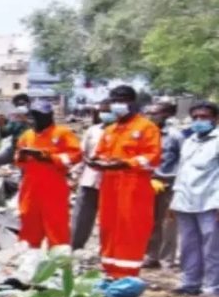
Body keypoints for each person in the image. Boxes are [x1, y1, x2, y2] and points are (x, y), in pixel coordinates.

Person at [89, 85, 161, 279]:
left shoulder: (146, 127)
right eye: (114, 101)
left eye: (122, 100)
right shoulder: (111, 129)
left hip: (134, 184)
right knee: (108, 225)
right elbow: (101, 153)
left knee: (130, 227)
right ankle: (109, 270)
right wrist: (96, 162)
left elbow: (152, 157)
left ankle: (127, 273)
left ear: (133, 102)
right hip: (110, 183)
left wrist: (126, 163)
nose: (117, 105)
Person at [15, 100, 81, 250]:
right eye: (36, 115)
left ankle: (59, 262)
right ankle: (30, 259)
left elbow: (76, 155)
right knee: (29, 222)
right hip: (30, 187)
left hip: (53, 186)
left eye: (43, 115)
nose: (39, 119)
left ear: (50, 116)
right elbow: (18, 160)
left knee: (56, 225)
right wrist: (23, 156)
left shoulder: (62, 133)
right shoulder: (27, 135)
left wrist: (50, 158)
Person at [170, 101, 219, 296]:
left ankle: (212, 286)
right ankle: (190, 283)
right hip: (185, 201)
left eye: (204, 117)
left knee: (212, 247)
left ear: (215, 119)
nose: (199, 121)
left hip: (210, 202)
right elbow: (182, 171)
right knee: (188, 245)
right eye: (195, 117)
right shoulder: (189, 141)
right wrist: (175, 200)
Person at [70, 100, 114, 250]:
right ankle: (74, 247)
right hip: (90, 178)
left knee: (109, 219)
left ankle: (107, 251)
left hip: (112, 181)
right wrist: (76, 173)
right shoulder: (93, 130)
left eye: (108, 111)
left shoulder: (121, 131)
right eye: (102, 111)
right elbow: (82, 153)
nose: (104, 114)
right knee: (81, 216)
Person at [144, 101, 183, 269]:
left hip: (169, 182)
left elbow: (183, 159)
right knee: (150, 220)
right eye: (150, 113)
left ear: (166, 115)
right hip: (149, 181)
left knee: (169, 222)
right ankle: (151, 256)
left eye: (156, 113)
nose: (151, 116)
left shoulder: (175, 136)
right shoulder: (146, 134)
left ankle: (167, 259)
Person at [0, 93, 31, 195]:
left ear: (27, 104)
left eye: (22, 102)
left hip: (29, 153)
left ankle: (25, 193)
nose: (20, 104)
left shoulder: (35, 116)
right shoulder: (14, 119)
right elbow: (4, 134)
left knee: (27, 170)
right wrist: (0, 123)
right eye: (18, 103)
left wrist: (26, 121)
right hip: (13, 150)